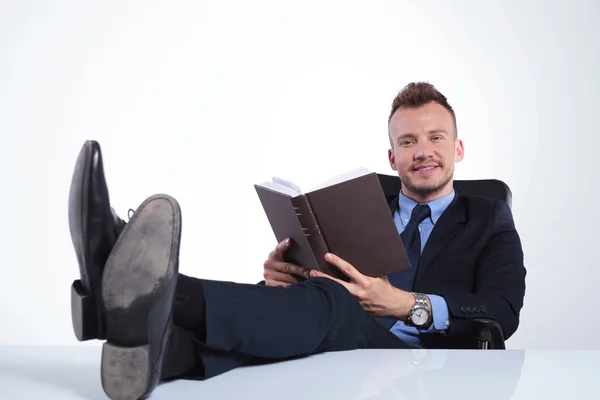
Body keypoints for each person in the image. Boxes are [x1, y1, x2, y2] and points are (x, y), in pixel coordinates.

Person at [68, 82, 526, 400]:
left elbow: (502, 311)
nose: (422, 150)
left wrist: (406, 305)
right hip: (328, 321)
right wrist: (282, 277)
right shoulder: (362, 208)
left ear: (457, 149)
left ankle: (150, 287)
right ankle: (160, 357)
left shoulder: (489, 217)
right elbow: (319, 289)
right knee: (321, 299)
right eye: (407, 141)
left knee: (333, 302)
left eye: (435, 137)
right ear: (392, 156)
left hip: (416, 359)